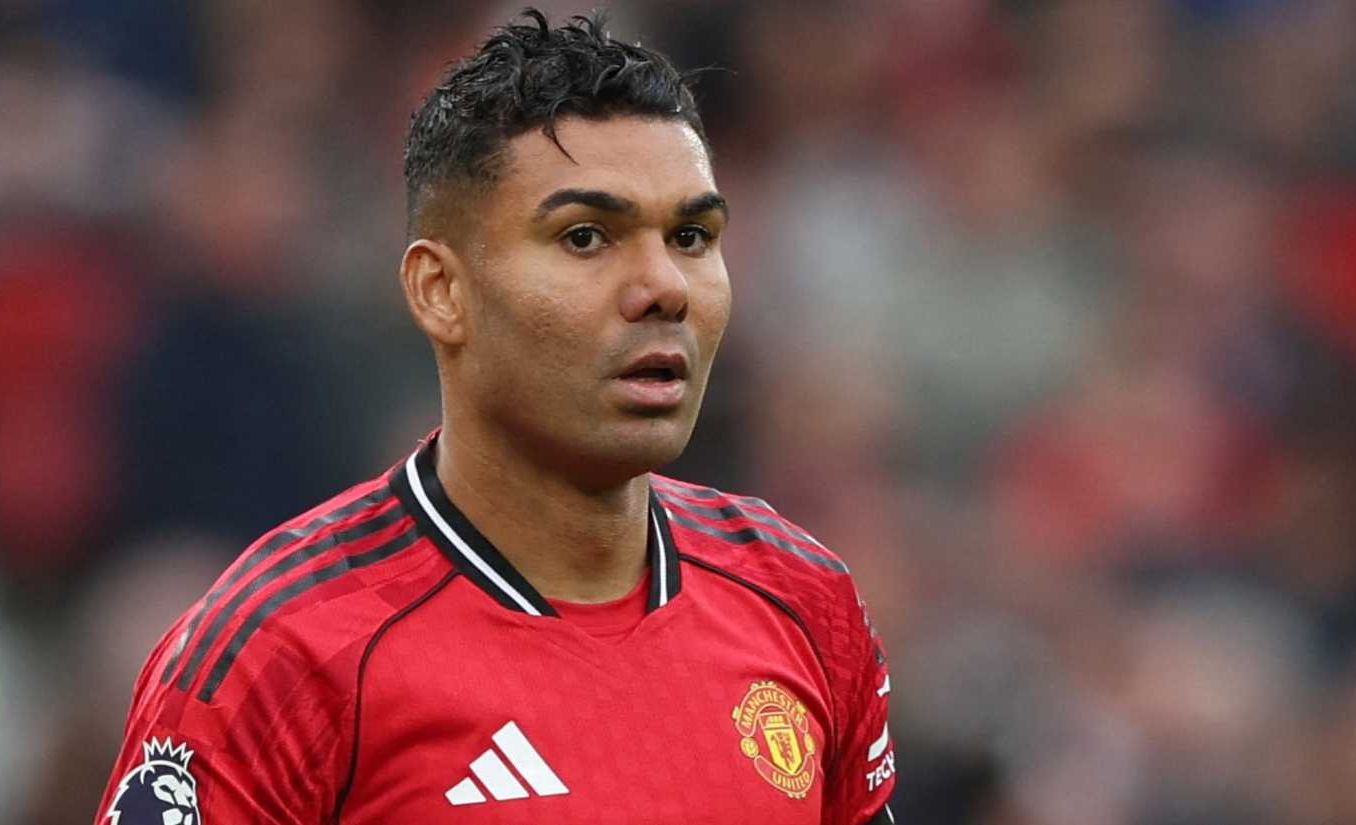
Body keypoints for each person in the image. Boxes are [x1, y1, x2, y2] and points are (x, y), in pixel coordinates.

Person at [94, 10, 896, 824]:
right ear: (441, 291)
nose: (665, 286)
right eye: (586, 236)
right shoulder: (282, 653)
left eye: (692, 235)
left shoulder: (804, 597)